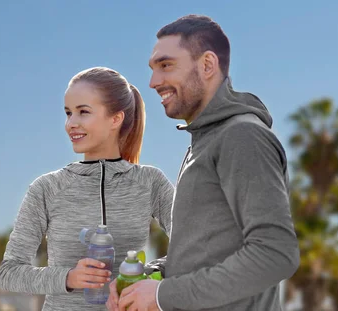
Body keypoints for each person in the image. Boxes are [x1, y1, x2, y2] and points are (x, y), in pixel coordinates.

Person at [106, 15, 300, 311]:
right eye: (153, 69)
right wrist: (148, 275)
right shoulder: (208, 140)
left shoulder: (242, 136)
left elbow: (275, 254)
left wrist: (162, 295)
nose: (153, 82)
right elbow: (208, 253)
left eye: (166, 65)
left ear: (207, 65)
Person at [0, 66, 175, 311]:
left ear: (116, 118)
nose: (71, 123)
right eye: (68, 113)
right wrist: (68, 277)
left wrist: (147, 273)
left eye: (83, 112)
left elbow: (194, 247)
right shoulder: (47, 188)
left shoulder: (150, 182)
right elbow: (10, 272)